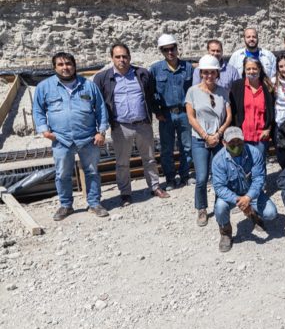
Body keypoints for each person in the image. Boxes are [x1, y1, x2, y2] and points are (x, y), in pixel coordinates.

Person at [33, 52, 109, 220]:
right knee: (62, 174)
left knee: (92, 172)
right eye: (60, 65)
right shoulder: (44, 87)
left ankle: (94, 203)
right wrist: (44, 130)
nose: (65, 67)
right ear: (54, 67)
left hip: (88, 138)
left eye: (68, 64)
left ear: (74, 66)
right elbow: (38, 110)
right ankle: (66, 205)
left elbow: (101, 109)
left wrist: (101, 131)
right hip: (61, 139)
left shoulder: (88, 86)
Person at [94, 43, 169, 206]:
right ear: (112, 58)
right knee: (122, 162)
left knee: (149, 158)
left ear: (130, 57)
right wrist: (101, 127)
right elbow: (98, 103)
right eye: (118, 56)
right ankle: (126, 193)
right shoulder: (103, 78)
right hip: (121, 127)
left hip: (143, 124)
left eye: (125, 56)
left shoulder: (142, 74)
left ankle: (155, 186)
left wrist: (157, 112)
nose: (122, 60)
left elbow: (151, 94)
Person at [211, 127, 278, 252]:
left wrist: (248, 198)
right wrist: (239, 200)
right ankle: (226, 233)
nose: (236, 145)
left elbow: (259, 179)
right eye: (232, 143)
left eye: (239, 142)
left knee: (271, 213)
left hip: (251, 193)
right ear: (224, 143)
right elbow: (219, 187)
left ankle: (254, 216)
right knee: (219, 207)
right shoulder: (218, 160)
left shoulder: (255, 153)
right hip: (231, 195)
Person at [186, 55, 233, 227]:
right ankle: (201, 208)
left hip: (218, 139)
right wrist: (206, 136)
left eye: (212, 72)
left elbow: (229, 116)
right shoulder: (192, 91)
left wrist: (219, 133)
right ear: (201, 73)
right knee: (202, 177)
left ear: (217, 74)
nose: (209, 76)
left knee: (219, 176)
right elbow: (191, 117)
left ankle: (220, 204)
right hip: (200, 139)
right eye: (205, 72)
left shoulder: (223, 92)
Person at [149, 34, 194, 190]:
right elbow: (151, 92)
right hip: (166, 115)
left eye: (172, 48)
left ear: (176, 48)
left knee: (187, 147)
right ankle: (169, 179)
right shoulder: (155, 70)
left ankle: (185, 176)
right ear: (162, 51)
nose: (170, 52)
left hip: (184, 113)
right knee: (167, 149)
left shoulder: (187, 67)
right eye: (166, 49)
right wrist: (156, 111)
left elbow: (193, 90)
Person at [228, 57, 274, 156]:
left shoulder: (267, 87)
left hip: (261, 136)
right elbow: (232, 110)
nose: (251, 71)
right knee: (243, 165)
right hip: (242, 136)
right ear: (244, 70)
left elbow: (272, 110)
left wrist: (268, 128)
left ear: (259, 69)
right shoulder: (237, 86)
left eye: (254, 68)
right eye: (248, 69)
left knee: (259, 166)